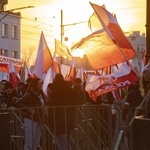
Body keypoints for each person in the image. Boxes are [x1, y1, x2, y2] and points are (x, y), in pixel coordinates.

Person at [15, 78, 48, 150]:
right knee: (29, 143)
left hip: (39, 119)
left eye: (41, 83)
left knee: (36, 143)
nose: (41, 85)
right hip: (30, 119)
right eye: (39, 84)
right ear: (35, 84)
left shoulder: (42, 95)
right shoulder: (29, 94)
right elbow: (18, 102)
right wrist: (29, 109)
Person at [48, 73, 76, 150]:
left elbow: (51, 108)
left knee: (62, 145)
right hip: (70, 121)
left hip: (59, 122)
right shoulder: (71, 91)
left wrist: (50, 122)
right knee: (68, 143)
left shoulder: (55, 93)